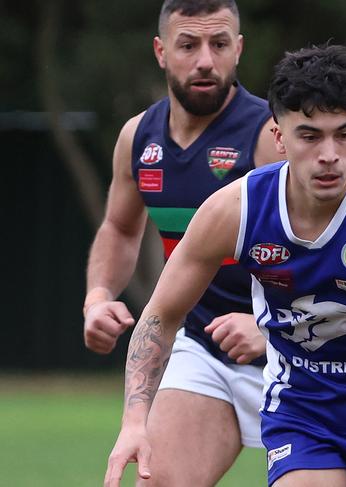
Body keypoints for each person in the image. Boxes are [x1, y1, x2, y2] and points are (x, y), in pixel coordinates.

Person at [104, 44, 346, 487]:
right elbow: (161, 316)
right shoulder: (236, 210)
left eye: (344, 133)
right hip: (303, 416)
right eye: (310, 136)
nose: (329, 153)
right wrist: (135, 421)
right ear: (278, 136)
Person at [84, 1, 283, 485]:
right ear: (161, 51)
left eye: (219, 45)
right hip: (205, 348)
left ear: (238, 50)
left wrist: (270, 324)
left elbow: (318, 249)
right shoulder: (138, 137)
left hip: (295, 355)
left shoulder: (268, 135)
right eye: (188, 45)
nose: (205, 61)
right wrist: (98, 296)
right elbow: (120, 228)